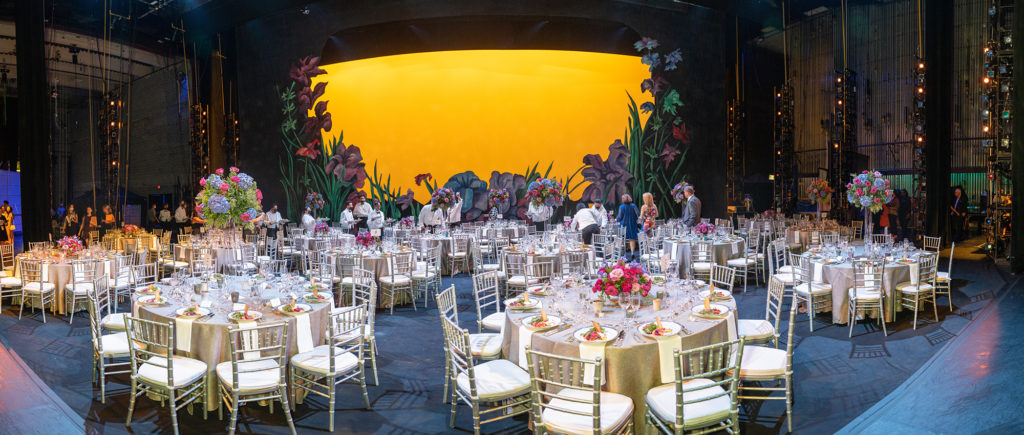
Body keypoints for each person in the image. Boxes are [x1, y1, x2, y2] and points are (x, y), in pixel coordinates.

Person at [617, 194, 641, 260]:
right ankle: (632, 253)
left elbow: (619, 217)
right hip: (633, 224)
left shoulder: (621, 207)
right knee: (632, 239)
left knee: (623, 239)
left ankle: (623, 255)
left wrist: (617, 220)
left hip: (624, 225)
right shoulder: (633, 206)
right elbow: (638, 214)